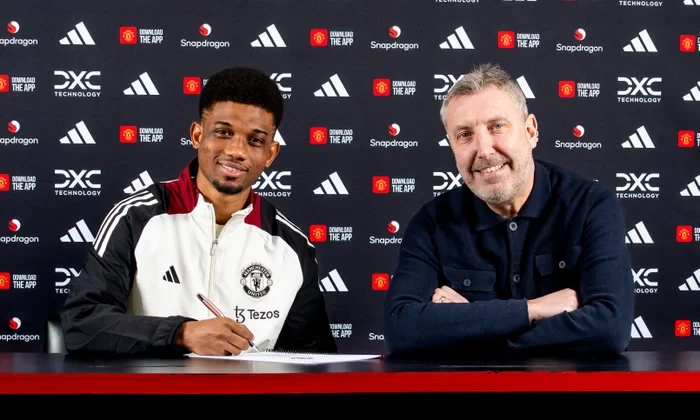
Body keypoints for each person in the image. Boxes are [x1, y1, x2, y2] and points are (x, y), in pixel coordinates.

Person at [60, 67, 337, 357]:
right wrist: (181, 334)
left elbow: (313, 358)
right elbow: (82, 323)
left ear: (270, 154)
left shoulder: (292, 247)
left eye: (255, 140)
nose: (237, 151)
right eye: (223, 132)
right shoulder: (136, 218)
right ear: (197, 135)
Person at [383, 63, 634, 356]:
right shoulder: (432, 223)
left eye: (497, 127)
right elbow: (401, 329)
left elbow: (609, 329)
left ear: (530, 131)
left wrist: (468, 326)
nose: (484, 150)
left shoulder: (590, 206)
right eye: (465, 135)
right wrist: (532, 309)